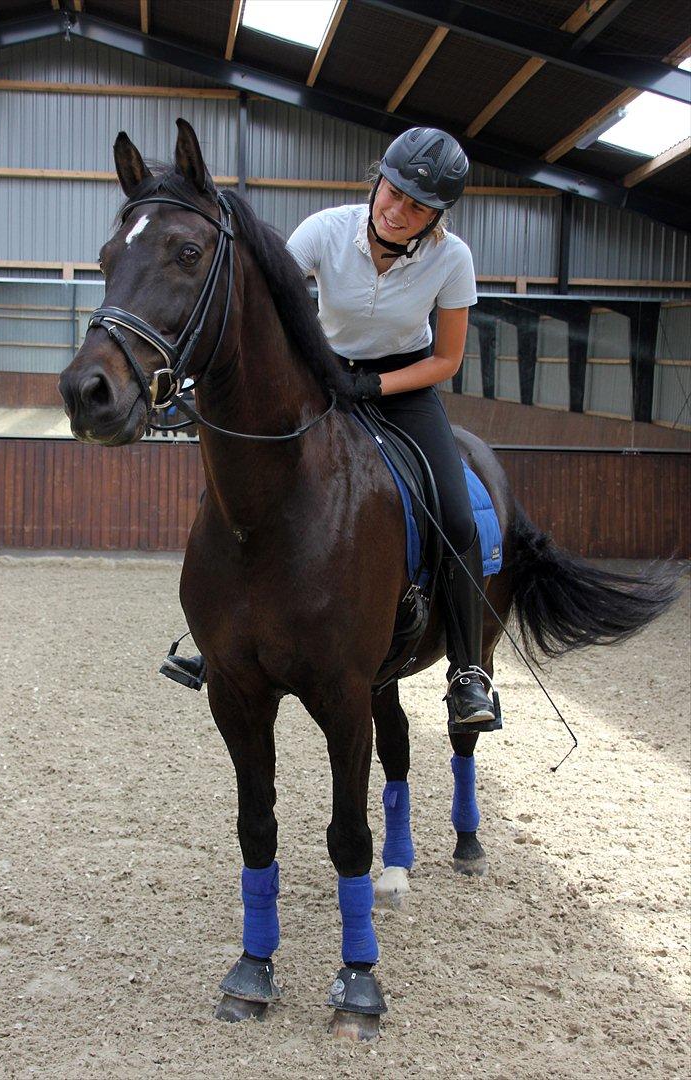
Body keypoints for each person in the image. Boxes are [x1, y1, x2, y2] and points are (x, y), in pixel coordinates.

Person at [163, 127, 496, 732]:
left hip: (404, 388)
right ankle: (217, 637)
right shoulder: (325, 230)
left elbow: (446, 360)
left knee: (455, 514)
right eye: (392, 192)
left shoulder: (454, 260)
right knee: (247, 483)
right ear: (378, 180)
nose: (397, 211)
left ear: (436, 215)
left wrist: (371, 388)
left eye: (417, 206)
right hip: (320, 373)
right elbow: (275, 306)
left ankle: (469, 672)